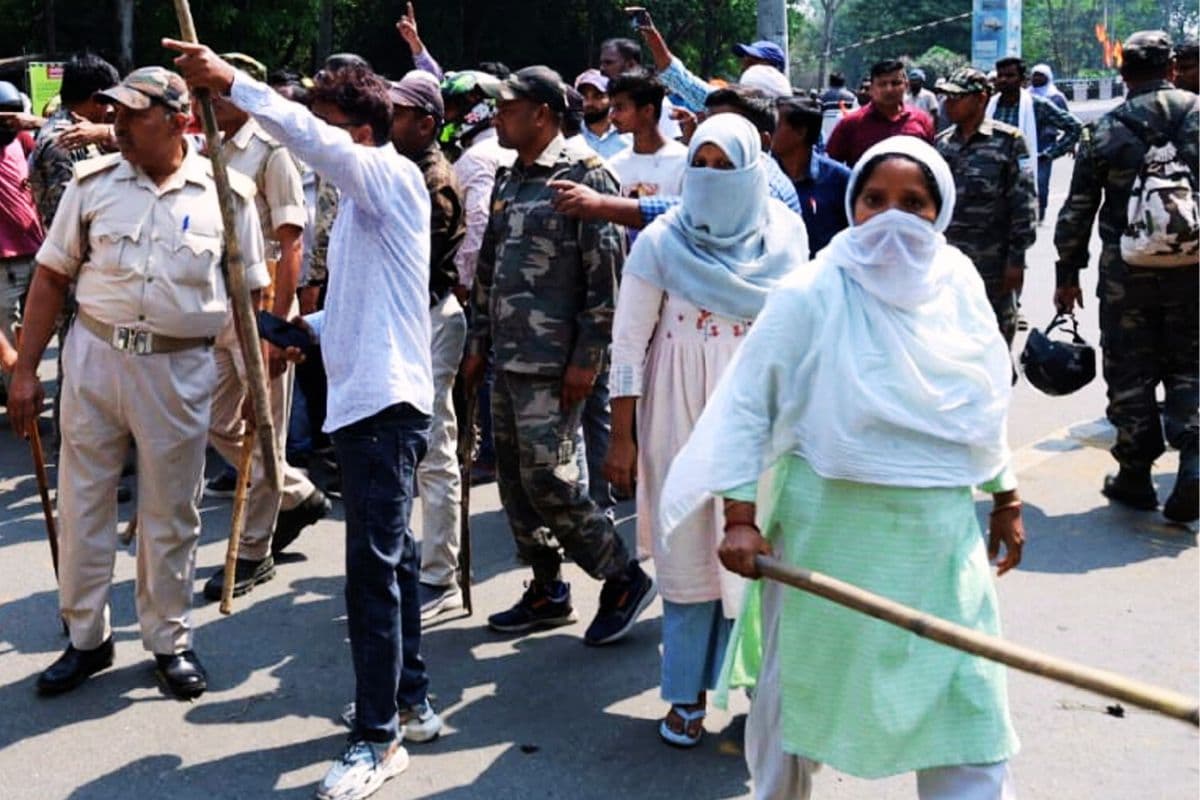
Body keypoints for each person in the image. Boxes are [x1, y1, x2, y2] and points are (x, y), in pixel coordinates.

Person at [661, 135, 1023, 799]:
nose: (892, 218)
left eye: (913, 203)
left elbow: (982, 399)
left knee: (965, 702)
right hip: (827, 539)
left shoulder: (960, 285)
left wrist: (1006, 496)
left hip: (936, 545)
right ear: (852, 207)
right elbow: (749, 406)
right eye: (875, 200)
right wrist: (739, 516)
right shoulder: (810, 291)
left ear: (939, 212)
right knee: (799, 700)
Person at [168, 41, 441, 800]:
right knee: (395, 562)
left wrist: (234, 83)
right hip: (369, 403)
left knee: (372, 577)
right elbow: (360, 307)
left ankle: (378, 739)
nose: (311, 144)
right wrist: (300, 332)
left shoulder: (386, 174)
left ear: (359, 130)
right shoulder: (361, 209)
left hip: (384, 407)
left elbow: (309, 137)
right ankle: (409, 703)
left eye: (326, 125)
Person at [9, 66, 267, 700]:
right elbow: (51, 278)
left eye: (133, 114)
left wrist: (255, 377)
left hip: (179, 369)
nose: (117, 125)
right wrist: (25, 370)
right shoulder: (92, 186)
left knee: (170, 511)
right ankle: (86, 638)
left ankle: (169, 640)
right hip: (95, 360)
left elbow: (249, 295)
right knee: (82, 505)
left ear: (180, 121)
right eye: (116, 113)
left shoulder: (228, 194)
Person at [605, 114, 806, 748]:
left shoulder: (787, 235)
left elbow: (801, 334)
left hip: (762, 414)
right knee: (689, 551)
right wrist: (621, 436)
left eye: (726, 165)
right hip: (678, 411)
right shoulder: (660, 242)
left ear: (752, 169)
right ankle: (686, 695)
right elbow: (628, 345)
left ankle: (760, 692)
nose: (713, 176)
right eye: (702, 163)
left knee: (760, 550)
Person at [460, 66, 656, 644]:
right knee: (517, 482)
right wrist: (477, 342)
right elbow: (489, 269)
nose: (497, 118)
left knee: (551, 478)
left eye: (507, 108)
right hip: (507, 357)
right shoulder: (510, 176)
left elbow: (607, 278)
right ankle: (547, 588)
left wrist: (586, 361)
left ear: (541, 113)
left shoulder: (586, 176)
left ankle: (621, 575)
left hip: (554, 363)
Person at [1053, 30, 1199, 524]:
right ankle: (1194, 458)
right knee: (1191, 364)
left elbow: (1078, 209)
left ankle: (1135, 474)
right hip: (1194, 269)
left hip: (1126, 276)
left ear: (1123, 72)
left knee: (1130, 370)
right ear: (1172, 68)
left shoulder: (1105, 129)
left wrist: (1066, 273)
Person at [201, 54, 332, 602]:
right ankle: (296, 490)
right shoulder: (208, 147)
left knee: (266, 426)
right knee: (214, 418)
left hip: (262, 305)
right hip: (217, 306)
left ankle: (254, 551)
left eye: (213, 92)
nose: (204, 103)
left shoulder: (271, 150)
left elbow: (291, 240)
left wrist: (276, 326)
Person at [388, 71, 470, 622]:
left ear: (426, 122)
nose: (390, 121)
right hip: (411, 317)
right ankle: (419, 564)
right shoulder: (403, 168)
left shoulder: (431, 181)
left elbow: (412, 267)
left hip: (430, 318)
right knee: (410, 448)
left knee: (435, 449)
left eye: (399, 113)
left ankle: (441, 576)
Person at [935, 67, 1037, 347]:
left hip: (993, 261)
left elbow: (1024, 204)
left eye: (957, 98)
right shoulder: (942, 144)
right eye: (946, 98)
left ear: (980, 98)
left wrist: (1016, 261)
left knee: (996, 336)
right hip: (950, 260)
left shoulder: (1009, 141)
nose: (949, 104)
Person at [989, 56, 1082, 221]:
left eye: (1010, 76)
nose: (1003, 80)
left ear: (1022, 80)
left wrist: (1049, 154)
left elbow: (1074, 127)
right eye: (1000, 76)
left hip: (1022, 174)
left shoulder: (1036, 104)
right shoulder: (988, 105)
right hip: (993, 175)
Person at [0, 80, 44, 395]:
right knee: (8, 338)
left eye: (10, 118)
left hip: (37, 251)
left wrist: (36, 123)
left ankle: (24, 391)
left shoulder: (23, 140)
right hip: (4, 261)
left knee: (37, 331)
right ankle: (19, 402)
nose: (7, 125)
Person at [773, 96, 851, 256]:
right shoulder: (765, 175)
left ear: (801, 132)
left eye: (776, 125)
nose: (767, 132)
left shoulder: (839, 179)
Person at [825, 60, 935, 167]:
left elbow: (931, 164)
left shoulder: (922, 121)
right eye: (882, 84)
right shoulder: (851, 123)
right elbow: (829, 167)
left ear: (906, 86)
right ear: (872, 88)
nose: (889, 89)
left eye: (895, 83)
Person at [606, 71, 687, 202]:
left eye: (620, 108)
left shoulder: (683, 162)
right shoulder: (614, 166)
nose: (612, 116)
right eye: (612, 108)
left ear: (647, 111)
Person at [598, 35, 682, 138]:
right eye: (601, 63)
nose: (602, 69)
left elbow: (672, 143)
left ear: (631, 65)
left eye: (608, 63)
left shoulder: (660, 104)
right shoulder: (601, 106)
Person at [574, 69, 631, 160]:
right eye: (585, 96)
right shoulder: (573, 135)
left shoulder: (628, 136)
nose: (589, 103)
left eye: (598, 96)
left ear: (611, 99)